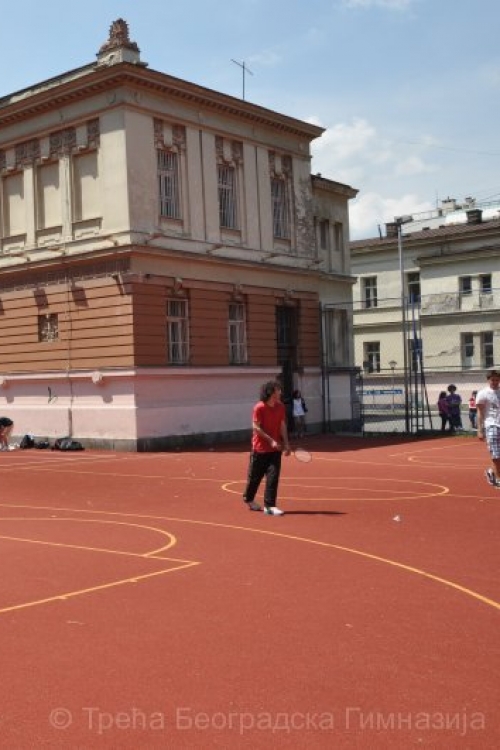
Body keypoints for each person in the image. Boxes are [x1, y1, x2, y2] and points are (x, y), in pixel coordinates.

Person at [243, 380, 291, 516]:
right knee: (254, 478)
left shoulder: (280, 407)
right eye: (278, 390)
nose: (280, 392)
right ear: (271, 392)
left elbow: (282, 425)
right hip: (259, 450)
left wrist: (286, 443)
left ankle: (270, 506)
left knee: (273, 477)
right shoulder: (259, 407)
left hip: (275, 450)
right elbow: (256, 427)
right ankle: (249, 498)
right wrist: (271, 440)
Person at [476, 370, 500, 488]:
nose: (495, 382)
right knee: (496, 454)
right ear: (488, 380)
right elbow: (480, 412)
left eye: (497, 380)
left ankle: (491, 472)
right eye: (492, 380)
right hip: (491, 425)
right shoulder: (483, 393)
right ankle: (498, 479)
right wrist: (480, 429)